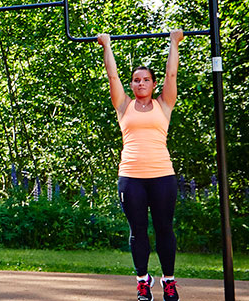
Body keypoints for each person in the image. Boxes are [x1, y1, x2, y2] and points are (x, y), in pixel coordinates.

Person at [98, 29, 184, 301]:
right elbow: (112, 75)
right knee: (138, 230)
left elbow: (172, 75)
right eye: (136, 80)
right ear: (132, 85)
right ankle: (142, 281)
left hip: (162, 176)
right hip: (131, 176)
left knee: (164, 228)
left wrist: (174, 42)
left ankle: (168, 281)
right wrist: (107, 45)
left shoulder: (164, 104)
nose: (141, 83)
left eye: (146, 79)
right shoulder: (123, 105)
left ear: (154, 84)